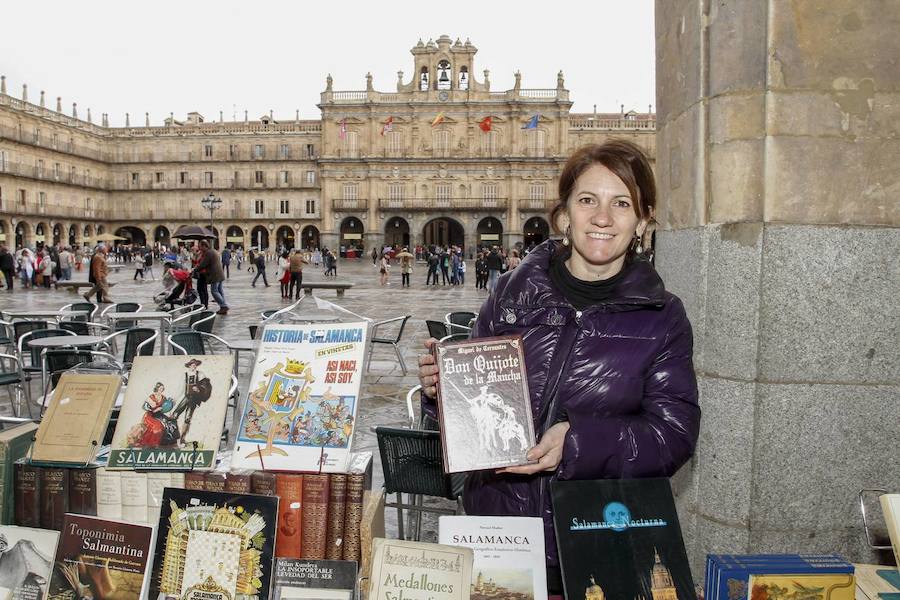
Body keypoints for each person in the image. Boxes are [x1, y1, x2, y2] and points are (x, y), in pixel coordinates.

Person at [416, 140, 700, 597]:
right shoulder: (511, 292)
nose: (602, 217)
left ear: (643, 221)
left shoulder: (662, 316)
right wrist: (442, 393)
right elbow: (473, 415)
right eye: (588, 200)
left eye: (621, 203)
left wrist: (578, 441)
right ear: (564, 215)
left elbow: (675, 435)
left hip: (597, 536)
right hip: (500, 531)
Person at [196, 240, 229, 315]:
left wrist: (195, 269)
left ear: (205, 246)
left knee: (214, 291)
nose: (199, 248)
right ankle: (223, 307)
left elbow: (203, 264)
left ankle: (224, 306)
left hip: (215, 275)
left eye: (200, 246)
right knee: (220, 291)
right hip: (220, 273)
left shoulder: (209, 253)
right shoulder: (213, 251)